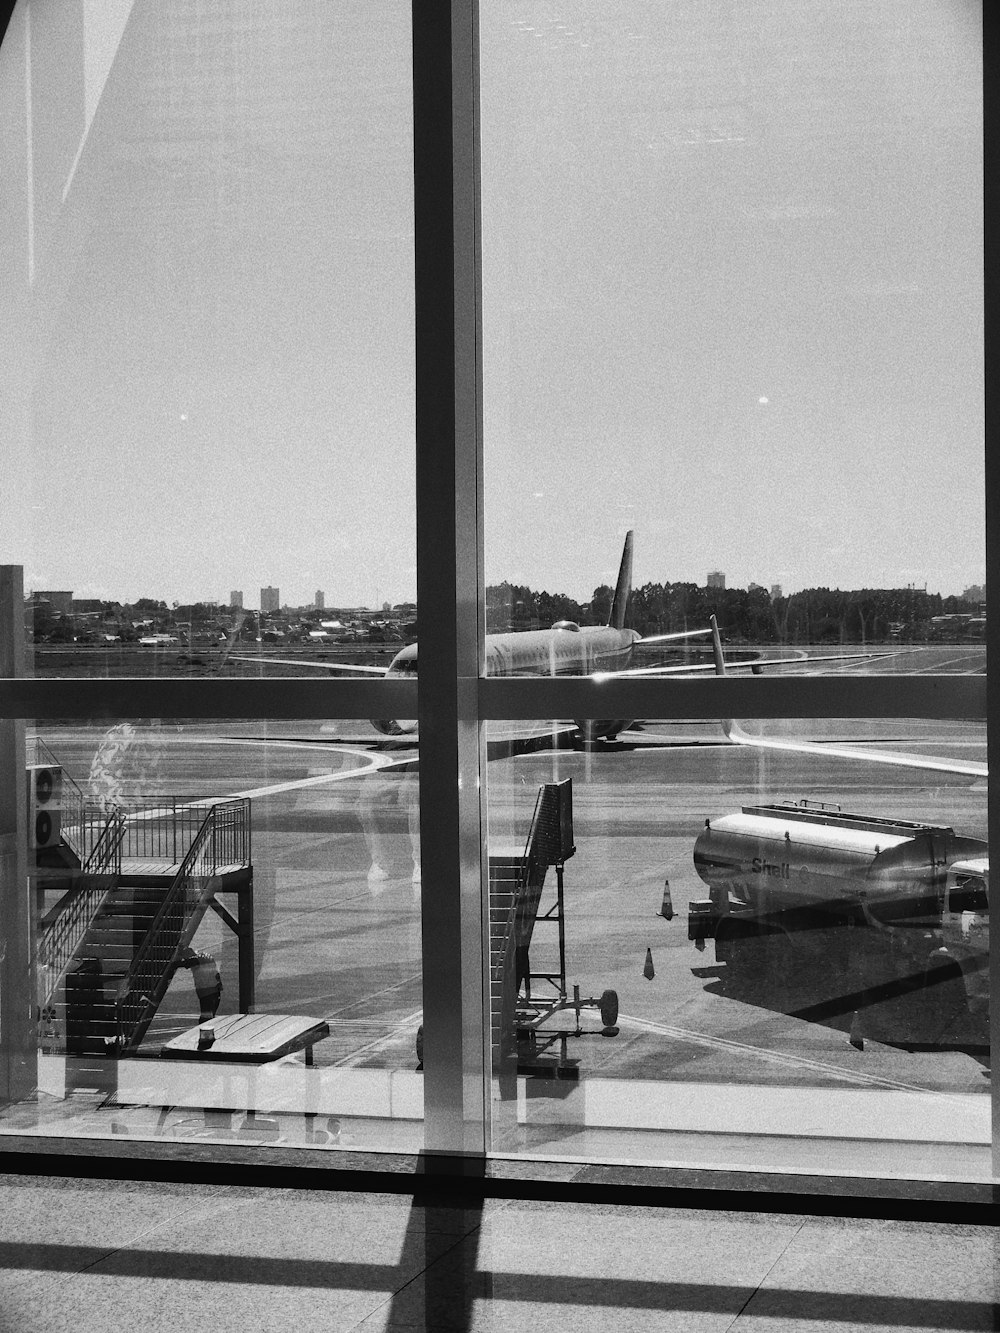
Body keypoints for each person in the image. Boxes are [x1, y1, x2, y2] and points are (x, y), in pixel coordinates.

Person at [175, 946, 222, 1023]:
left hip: (206, 991)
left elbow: (182, 964)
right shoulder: (206, 956)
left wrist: (174, 962)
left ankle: (205, 1033)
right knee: (210, 1016)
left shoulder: (196, 960)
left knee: (205, 1018)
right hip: (215, 990)